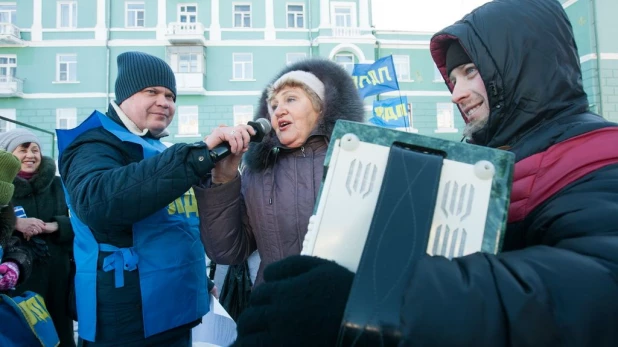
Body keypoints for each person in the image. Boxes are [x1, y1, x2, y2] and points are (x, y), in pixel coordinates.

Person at [230, 0, 618, 346]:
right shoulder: (495, 158)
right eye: (452, 80)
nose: (456, 94)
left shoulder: (597, 153)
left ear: (524, 64)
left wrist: (376, 301)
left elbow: (599, 287)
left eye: (469, 72)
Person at [58, 51, 225, 346]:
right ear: (124, 95)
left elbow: (172, 223)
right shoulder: (93, 143)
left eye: (171, 95)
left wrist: (201, 279)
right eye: (152, 91)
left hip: (175, 305)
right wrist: (195, 158)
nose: (165, 102)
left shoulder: (158, 148)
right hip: (127, 317)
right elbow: (97, 202)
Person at [195, 58, 365, 287]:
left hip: (346, 307)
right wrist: (222, 180)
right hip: (273, 309)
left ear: (322, 106)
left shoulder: (356, 160)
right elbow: (227, 252)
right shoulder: (256, 173)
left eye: (291, 99)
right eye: (273, 105)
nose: (278, 110)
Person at [0, 128, 75, 346]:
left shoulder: (59, 185)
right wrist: (14, 223)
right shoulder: (3, 187)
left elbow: (83, 222)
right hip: (18, 276)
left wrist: (56, 226)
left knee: (61, 335)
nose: (31, 155)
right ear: (7, 154)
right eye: (23, 149)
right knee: (25, 335)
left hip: (58, 276)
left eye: (35, 150)